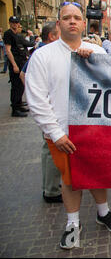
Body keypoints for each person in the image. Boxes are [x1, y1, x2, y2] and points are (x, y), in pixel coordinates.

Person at [26, 2, 111, 250]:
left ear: (83, 24)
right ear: (58, 24)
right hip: (63, 133)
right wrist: (55, 133)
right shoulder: (43, 56)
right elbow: (36, 99)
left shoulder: (96, 51)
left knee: (96, 175)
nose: (72, 21)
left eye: (76, 18)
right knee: (70, 181)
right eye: (66, 18)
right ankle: (72, 223)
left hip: (95, 130)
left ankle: (103, 213)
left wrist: (96, 63)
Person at [20, 22, 63, 203]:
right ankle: (51, 190)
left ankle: (52, 187)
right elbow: (24, 75)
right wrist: (40, 97)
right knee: (50, 149)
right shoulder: (43, 53)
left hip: (51, 109)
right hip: (49, 111)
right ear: (52, 36)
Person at [3, 16, 34, 117]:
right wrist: (14, 65)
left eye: (16, 22)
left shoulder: (18, 34)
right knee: (16, 86)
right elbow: (8, 50)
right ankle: (15, 109)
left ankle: (19, 104)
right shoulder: (8, 34)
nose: (15, 24)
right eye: (13, 22)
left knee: (21, 85)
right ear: (10, 23)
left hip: (21, 61)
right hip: (15, 62)